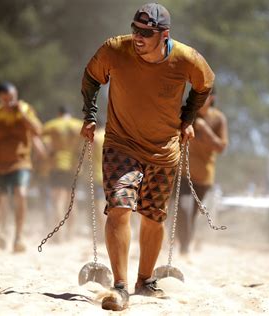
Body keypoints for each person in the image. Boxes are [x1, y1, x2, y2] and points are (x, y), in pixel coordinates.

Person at [79, 3, 214, 311]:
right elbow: (90, 77)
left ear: (164, 35)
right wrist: (89, 115)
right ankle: (121, 287)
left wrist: (188, 118)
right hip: (120, 143)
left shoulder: (186, 59)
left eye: (146, 33)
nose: (137, 37)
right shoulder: (115, 49)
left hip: (164, 150)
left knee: (153, 217)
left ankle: (145, 281)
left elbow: (204, 85)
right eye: (135, 30)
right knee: (120, 208)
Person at [0, 82, 42, 252]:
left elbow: (38, 130)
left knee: (21, 194)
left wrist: (23, 116)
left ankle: (18, 237)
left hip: (20, 163)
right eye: (5, 99)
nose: (9, 102)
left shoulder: (26, 110)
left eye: (12, 98)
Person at [176, 88, 228, 255]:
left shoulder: (218, 119)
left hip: (204, 177)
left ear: (211, 98)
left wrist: (205, 129)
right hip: (182, 173)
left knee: (192, 215)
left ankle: (186, 245)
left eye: (202, 97)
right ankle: (182, 247)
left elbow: (221, 147)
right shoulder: (186, 114)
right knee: (183, 208)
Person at [42, 106, 83, 238]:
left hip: (56, 165)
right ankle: (70, 234)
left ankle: (58, 234)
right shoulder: (78, 125)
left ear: (59, 113)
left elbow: (44, 141)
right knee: (72, 201)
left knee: (58, 200)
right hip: (74, 167)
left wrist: (46, 157)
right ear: (70, 114)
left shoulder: (52, 125)